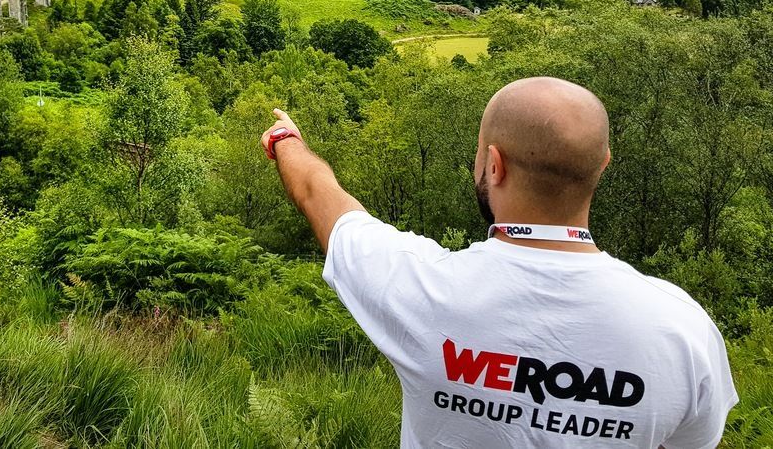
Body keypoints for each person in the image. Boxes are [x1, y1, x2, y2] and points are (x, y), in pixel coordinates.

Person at [261, 76, 738, 449]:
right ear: (603, 164)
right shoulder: (681, 327)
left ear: (494, 164)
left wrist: (286, 138)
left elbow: (319, 196)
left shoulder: (422, 289)